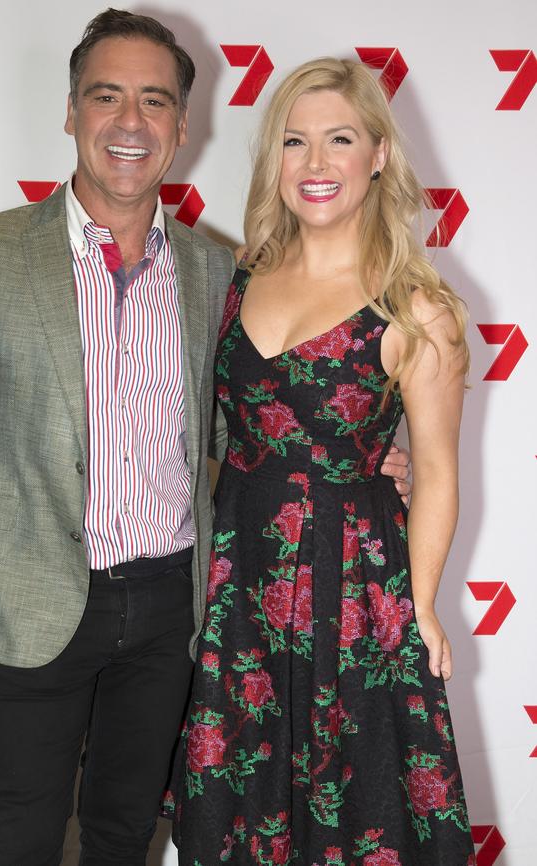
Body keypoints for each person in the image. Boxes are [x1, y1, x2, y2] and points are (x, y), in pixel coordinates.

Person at [0, 11, 410, 865]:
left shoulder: (218, 272)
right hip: (30, 607)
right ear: (71, 112)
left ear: (181, 125)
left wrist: (358, 451)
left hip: (175, 608)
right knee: (18, 841)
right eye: (106, 97)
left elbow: (242, 421)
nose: (129, 123)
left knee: (126, 834)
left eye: (154, 101)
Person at [170, 58, 474, 865]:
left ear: (377, 153)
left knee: (359, 807)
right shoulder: (237, 278)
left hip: (357, 591)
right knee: (239, 808)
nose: (314, 164)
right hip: (236, 583)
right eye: (294, 142)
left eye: (338, 139)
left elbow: (437, 470)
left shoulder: (417, 308)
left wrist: (427, 603)